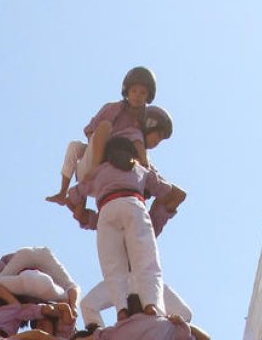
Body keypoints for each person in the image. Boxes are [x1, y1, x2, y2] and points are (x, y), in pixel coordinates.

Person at [65, 137, 186, 321]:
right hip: (133, 204)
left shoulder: (99, 172)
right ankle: (151, 305)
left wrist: (80, 208)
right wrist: (146, 166)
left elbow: (72, 198)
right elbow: (173, 193)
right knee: (147, 262)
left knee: (112, 267)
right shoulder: (139, 169)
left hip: (106, 209)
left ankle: (122, 309)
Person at [47, 67, 157, 204]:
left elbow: (146, 144)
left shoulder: (147, 119)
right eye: (134, 91)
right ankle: (64, 192)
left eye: (142, 92)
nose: (137, 96)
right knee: (75, 145)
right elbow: (92, 131)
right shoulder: (113, 109)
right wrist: (103, 148)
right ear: (127, 91)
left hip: (124, 165)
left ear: (148, 95)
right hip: (98, 162)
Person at [0, 247, 81, 316]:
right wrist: (72, 308)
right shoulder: (47, 295)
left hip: (27, 267)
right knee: (70, 288)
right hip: (43, 254)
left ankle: (5, 310)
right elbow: (72, 288)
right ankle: (73, 308)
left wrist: (0, 311)